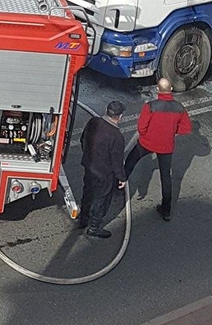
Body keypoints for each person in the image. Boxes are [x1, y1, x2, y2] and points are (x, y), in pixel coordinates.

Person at [123, 77, 192, 221]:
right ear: (171, 89)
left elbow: (141, 128)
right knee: (166, 176)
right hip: (166, 146)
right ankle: (166, 210)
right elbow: (186, 129)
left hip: (147, 142)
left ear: (157, 90)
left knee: (130, 161)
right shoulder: (180, 108)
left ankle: (119, 186)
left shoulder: (150, 106)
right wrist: (171, 130)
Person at [79, 100, 126, 239]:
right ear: (120, 116)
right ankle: (93, 227)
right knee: (101, 200)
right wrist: (121, 178)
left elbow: (83, 139)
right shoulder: (117, 136)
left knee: (87, 192)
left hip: (89, 166)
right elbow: (116, 161)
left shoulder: (93, 122)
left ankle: (83, 219)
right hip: (104, 174)